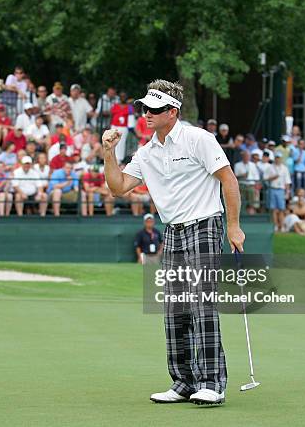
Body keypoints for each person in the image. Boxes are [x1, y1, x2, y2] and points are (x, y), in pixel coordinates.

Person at [103, 79, 244, 405]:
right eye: (144, 108)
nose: (147, 114)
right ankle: (183, 382)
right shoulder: (147, 151)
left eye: (154, 109)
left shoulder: (198, 139)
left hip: (205, 225)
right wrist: (108, 153)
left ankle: (212, 383)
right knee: (174, 309)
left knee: (202, 303)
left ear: (172, 111)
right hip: (174, 231)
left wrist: (233, 227)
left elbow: (229, 180)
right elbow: (119, 186)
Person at [264, 152, 292, 232]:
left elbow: (287, 181)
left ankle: (282, 226)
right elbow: (265, 178)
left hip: (281, 189)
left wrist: (287, 192)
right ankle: (276, 225)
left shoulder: (284, 168)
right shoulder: (269, 167)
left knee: (281, 209)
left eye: (279, 158)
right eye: (276, 158)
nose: (277, 159)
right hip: (272, 188)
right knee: (274, 209)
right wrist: (273, 177)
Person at [234, 150, 260, 214]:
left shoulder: (253, 165)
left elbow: (256, 177)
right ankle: (243, 213)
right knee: (242, 201)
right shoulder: (237, 165)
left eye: (247, 156)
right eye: (245, 156)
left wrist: (256, 187)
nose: (246, 157)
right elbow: (235, 176)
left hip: (251, 186)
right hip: (241, 186)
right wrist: (242, 175)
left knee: (252, 202)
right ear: (242, 157)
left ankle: (251, 214)